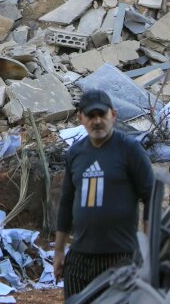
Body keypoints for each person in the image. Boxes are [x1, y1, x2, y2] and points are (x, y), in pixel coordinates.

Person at [53, 90, 154, 299]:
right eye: (91, 116)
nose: (97, 121)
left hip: (120, 258)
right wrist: (59, 251)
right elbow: (66, 202)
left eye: (102, 115)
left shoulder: (130, 149)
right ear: (81, 118)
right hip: (80, 257)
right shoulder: (75, 153)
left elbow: (150, 198)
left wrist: (148, 251)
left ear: (114, 115)